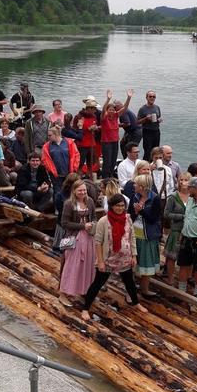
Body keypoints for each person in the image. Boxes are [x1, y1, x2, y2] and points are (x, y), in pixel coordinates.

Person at [81, 194, 147, 321]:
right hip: (108, 258)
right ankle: (85, 308)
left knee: (129, 282)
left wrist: (134, 255)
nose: (120, 208)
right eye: (117, 205)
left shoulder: (127, 219)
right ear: (111, 206)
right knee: (97, 284)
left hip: (124, 257)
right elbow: (98, 242)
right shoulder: (103, 221)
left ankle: (136, 303)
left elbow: (132, 237)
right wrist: (100, 261)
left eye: (122, 206)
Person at [59, 179, 96, 307]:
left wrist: (93, 225)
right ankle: (63, 293)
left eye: (84, 190)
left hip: (88, 238)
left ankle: (81, 291)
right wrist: (82, 226)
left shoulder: (90, 201)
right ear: (74, 191)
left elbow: (94, 216)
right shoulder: (69, 204)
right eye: (80, 190)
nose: (82, 192)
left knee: (85, 266)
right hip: (74, 238)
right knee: (71, 266)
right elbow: (64, 223)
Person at [128, 173, 161, 297]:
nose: (134, 185)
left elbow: (153, 219)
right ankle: (132, 286)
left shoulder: (155, 199)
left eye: (136, 184)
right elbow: (130, 215)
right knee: (132, 264)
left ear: (142, 186)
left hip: (148, 236)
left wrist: (141, 211)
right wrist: (136, 212)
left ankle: (145, 289)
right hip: (134, 234)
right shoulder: (135, 197)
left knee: (147, 264)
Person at [163, 172, 191, 284]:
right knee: (172, 257)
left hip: (189, 232)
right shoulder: (173, 197)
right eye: (181, 180)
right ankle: (170, 278)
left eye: (185, 180)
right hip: (176, 230)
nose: (182, 182)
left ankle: (184, 279)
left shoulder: (193, 197)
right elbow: (166, 214)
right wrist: (182, 217)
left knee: (187, 257)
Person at [101, 89, 133, 179]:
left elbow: (125, 108)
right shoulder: (104, 118)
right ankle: (105, 178)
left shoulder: (115, 116)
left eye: (113, 110)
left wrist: (129, 98)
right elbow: (103, 110)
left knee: (113, 160)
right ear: (107, 110)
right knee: (107, 161)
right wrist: (108, 100)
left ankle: (111, 177)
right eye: (109, 110)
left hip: (114, 141)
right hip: (106, 142)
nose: (111, 111)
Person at [41, 126, 80, 196]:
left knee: (71, 192)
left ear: (56, 134)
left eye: (50, 135)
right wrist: (50, 169)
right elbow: (44, 160)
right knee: (58, 193)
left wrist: (74, 168)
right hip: (56, 175)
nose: (48, 137)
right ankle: (58, 207)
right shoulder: (46, 146)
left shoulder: (69, 142)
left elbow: (76, 155)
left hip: (69, 173)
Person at [73, 96, 100, 180]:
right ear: (89, 109)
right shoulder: (79, 117)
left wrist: (95, 128)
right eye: (94, 109)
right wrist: (86, 129)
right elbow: (75, 130)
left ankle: (89, 177)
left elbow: (95, 126)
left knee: (90, 162)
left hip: (91, 142)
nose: (95, 111)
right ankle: (78, 178)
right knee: (80, 163)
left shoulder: (94, 116)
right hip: (82, 143)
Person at [137, 90, 162, 162]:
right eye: (150, 96)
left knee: (156, 151)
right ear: (146, 98)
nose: (152, 98)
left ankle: (155, 165)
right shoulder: (142, 109)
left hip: (156, 131)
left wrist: (159, 120)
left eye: (154, 97)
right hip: (147, 131)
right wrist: (146, 118)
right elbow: (137, 122)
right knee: (148, 151)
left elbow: (159, 117)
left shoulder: (157, 107)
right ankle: (145, 166)